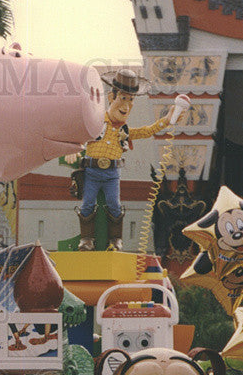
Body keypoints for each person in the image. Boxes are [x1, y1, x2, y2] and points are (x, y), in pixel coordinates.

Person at [70, 68, 188, 250]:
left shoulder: (124, 131)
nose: (126, 105)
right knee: (87, 204)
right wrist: (72, 148)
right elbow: (79, 131)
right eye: (123, 98)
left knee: (114, 205)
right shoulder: (96, 121)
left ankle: (115, 241)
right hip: (91, 171)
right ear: (111, 98)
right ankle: (86, 240)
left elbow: (146, 131)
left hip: (112, 174)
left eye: (131, 100)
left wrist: (167, 120)